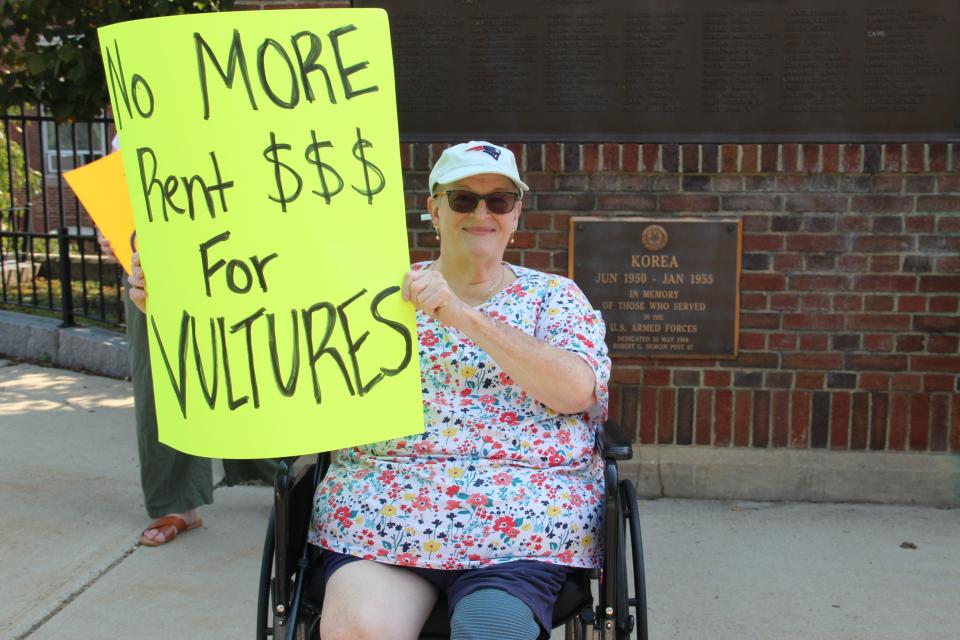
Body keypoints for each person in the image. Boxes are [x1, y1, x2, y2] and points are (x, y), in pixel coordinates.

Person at [127, 141, 609, 637]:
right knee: (357, 630)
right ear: (434, 210)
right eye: (462, 199)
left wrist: (463, 317)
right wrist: (174, 305)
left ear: (516, 215)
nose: (481, 213)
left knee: (491, 632)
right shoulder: (373, 292)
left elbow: (575, 390)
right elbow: (270, 358)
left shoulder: (554, 297)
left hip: (519, 529)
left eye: (498, 201)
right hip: (380, 516)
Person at [98, 134, 274, 546]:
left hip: (246, 224)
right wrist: (115, 230)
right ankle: (176, 500)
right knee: (162, 368)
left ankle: (284, 472)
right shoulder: (142, 98)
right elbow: (126, 180)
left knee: (255, 357)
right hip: (159, 254)